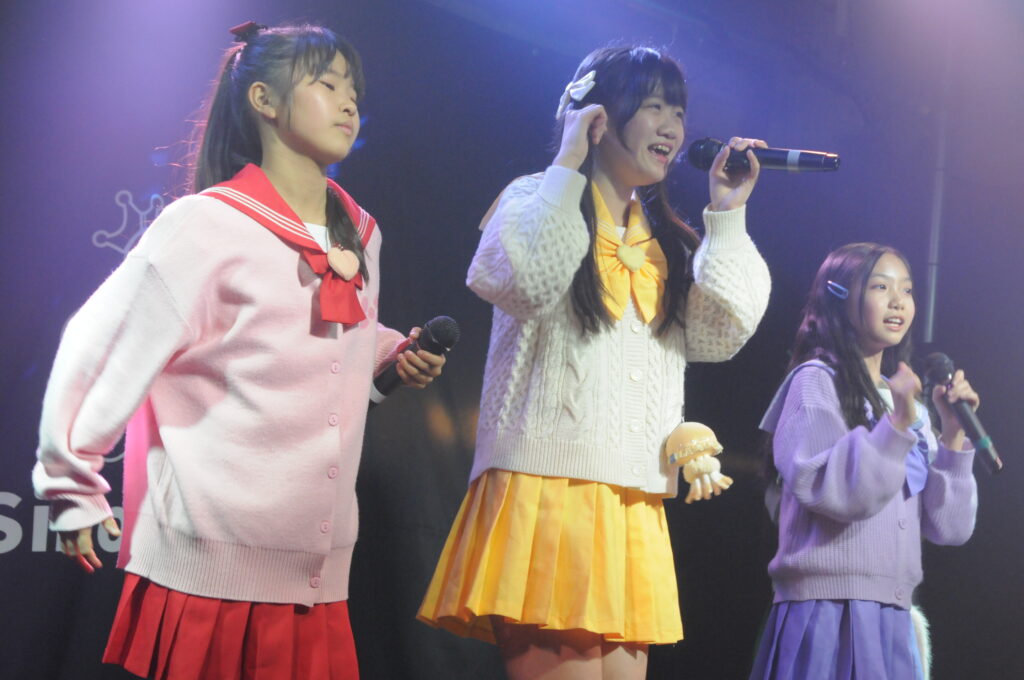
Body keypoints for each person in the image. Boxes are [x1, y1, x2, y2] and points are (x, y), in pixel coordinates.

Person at [32, 21, 445, 680]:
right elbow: (101, 344)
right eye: (326, 83)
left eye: (353, 90)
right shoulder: (207, 224)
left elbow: (317, 336)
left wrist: (388, 352)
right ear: (263, 99)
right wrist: (70, 478)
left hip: (316, 575)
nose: (348, 102)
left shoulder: (361, 234)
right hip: (212, 567)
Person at [418, 46, 771, 679]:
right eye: (654, 106)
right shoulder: (535, 198)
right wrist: (568, 158)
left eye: (678, 112)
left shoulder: (663, 241)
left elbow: (724, 332)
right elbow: (524, 280)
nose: (671, 127)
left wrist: (727, 213)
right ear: (599, 116)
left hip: (632, 501)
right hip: (550, 489)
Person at [750, 242, 979, 680]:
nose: (898, 301)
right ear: (838, 295)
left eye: (906, 290)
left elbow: (949, 528)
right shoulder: (816, 383)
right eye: (880, 287)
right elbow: (838, 494)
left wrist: (952, 434)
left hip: (891, 616)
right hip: (826, 612)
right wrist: (897, 424)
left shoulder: (908, 406)